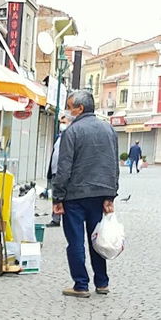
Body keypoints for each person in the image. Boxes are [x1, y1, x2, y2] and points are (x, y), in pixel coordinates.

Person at [50, 89, 119, 298]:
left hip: (75, 195)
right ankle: (102, 282)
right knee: (97, 238)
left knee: (76, 240)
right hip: (100, 194)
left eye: (70, 107)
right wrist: (111, 195)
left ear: (80, 108)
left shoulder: (72, 132)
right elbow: (113, 165)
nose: (68, 111)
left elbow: (64, 168)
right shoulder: (108, 130)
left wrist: (57, 197)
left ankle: (81, 284)